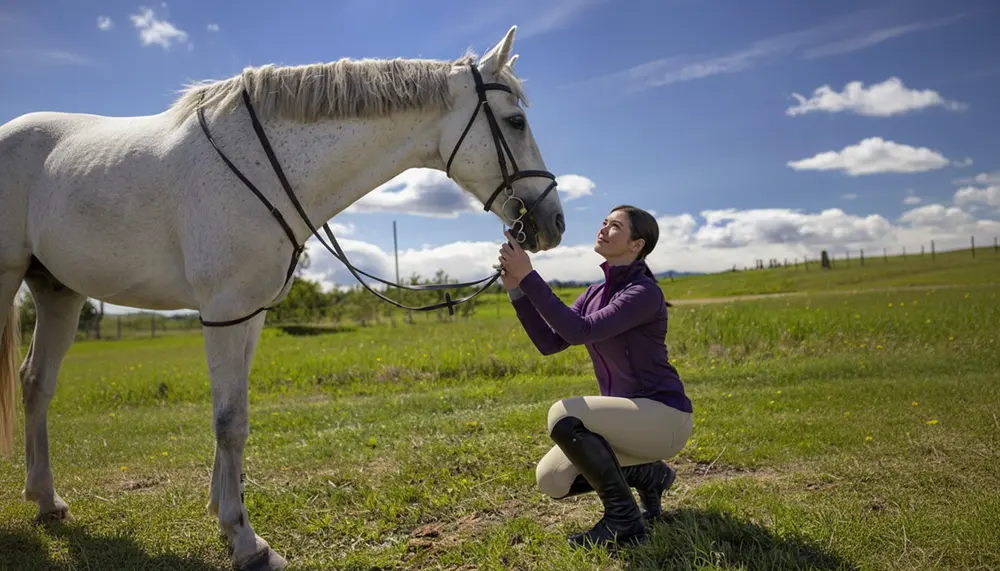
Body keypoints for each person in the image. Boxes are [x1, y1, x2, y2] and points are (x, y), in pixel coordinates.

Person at [496, 204, 693, 550]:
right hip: (627, 421)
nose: (603, 229)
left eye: (615, 226)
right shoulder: (593, 293)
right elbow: (551, 342)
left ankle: (624, 520)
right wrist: (516, 289)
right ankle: (651, 474)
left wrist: (530, 275)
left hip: (665, 418)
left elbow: (580, 330)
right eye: (604, 222)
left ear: (637, 244)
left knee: (563, 413)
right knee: (552, 480)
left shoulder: (644, 293)